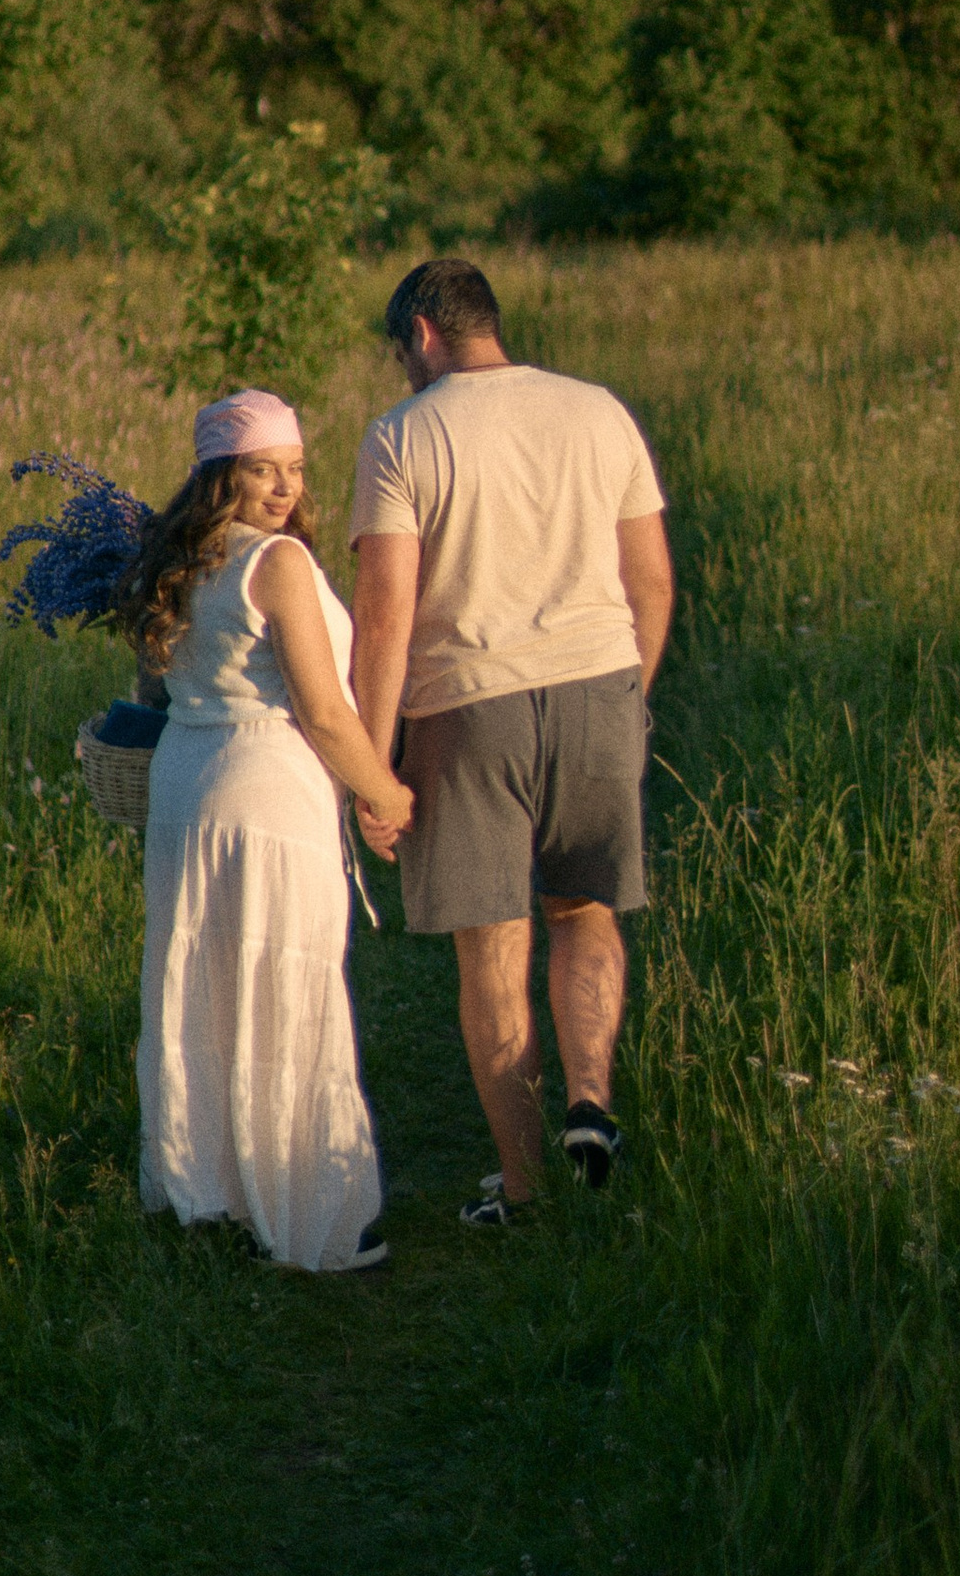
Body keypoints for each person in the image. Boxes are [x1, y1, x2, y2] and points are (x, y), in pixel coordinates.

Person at [348, 261, 673, 1227]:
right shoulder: (598, 410)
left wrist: (374, 766)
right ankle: (590, 1102)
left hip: (467, 706)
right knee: (585, 911)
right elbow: (652, 582)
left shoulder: (403, 435)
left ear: (422, 332)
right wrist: (628, 693)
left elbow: (386, 616)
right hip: (599, 684)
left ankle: (526, 1193)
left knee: (493, 944)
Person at [126, 387, 411, 1274]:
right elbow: (324, 712)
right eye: (263, 470)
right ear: (223, 475)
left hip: (184, 786)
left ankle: (210, 1193)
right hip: (265, 791)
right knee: (281, 990)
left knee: (203, 988)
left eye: (294, 468)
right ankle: (300, 1217)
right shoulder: (276, 562)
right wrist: (385, 795)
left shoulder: (168, 560)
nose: (286, 488)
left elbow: (152, 689)